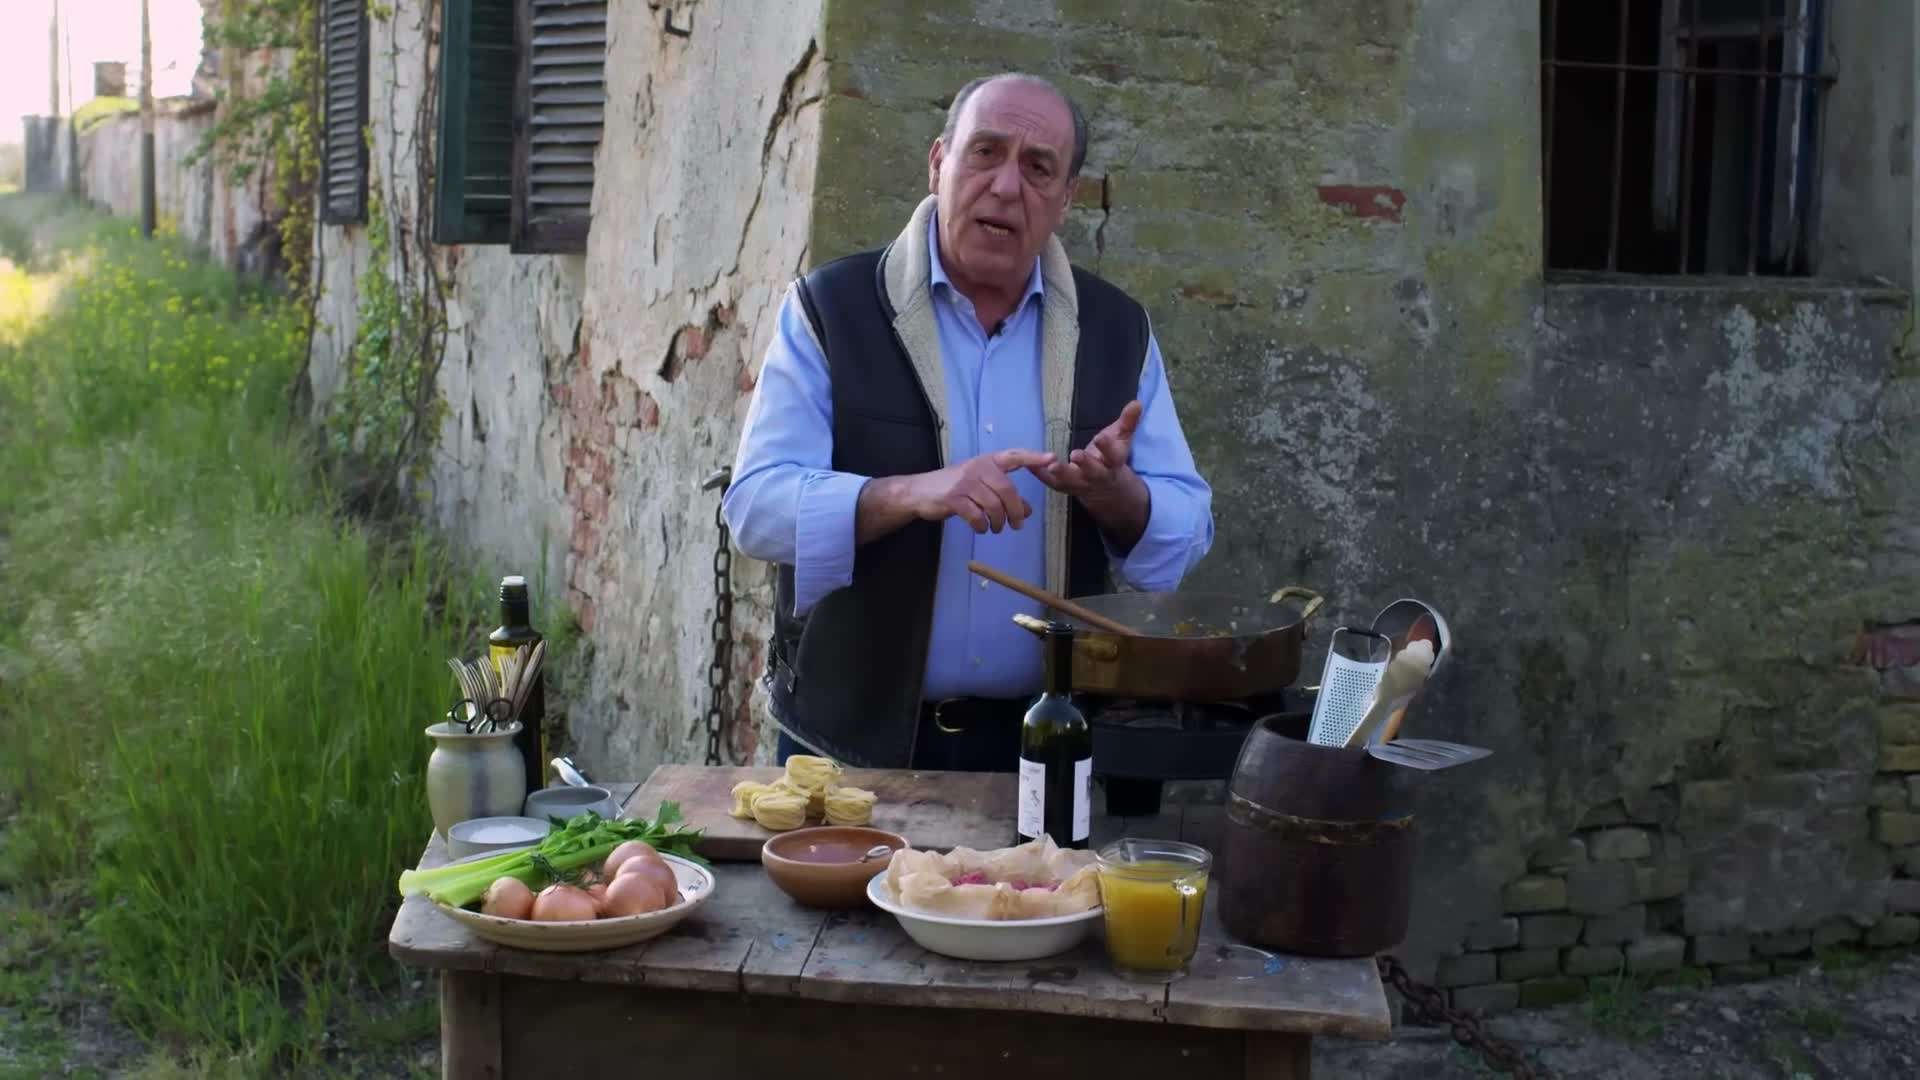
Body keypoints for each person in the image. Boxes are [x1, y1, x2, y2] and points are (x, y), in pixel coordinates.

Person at [723, 72, 1213, 771]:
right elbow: (755, 511)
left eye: (1039, 168)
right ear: (938, 163)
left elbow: (1186, 534)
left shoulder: (1116, 330)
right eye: (985, 152)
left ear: (1066, 199)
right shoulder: (830, 309)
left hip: (1043, 747)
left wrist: (1119, 498)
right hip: (849, 753)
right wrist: (909, 493)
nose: (1007, 187)